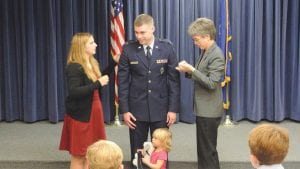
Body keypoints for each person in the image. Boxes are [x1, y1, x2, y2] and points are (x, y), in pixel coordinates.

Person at [118, 13, 180, 164]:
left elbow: (173, 81)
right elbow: (123, 82)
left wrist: (172, 109)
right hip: (136, 110)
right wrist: (125, 110)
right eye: (136, 32)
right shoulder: (128, 49)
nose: (139, 36)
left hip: (161, 108)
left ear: (153, 29)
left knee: (160, 150)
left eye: (143, 32)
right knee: (137, 151)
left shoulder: (167, 48)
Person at [59, 32, 118, 169]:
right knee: (79, 155)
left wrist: (113, 63)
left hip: (94, 111)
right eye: (91, 43)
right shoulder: (74, 67)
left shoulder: (91, 62)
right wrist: (98, 83)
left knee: (90, 154)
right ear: (81, 47)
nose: (95, 45)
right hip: (82, 115)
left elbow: (96, 79)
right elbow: (74, 92)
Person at [176, 18, 225, 169]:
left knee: (207, 151)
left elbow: (211, 83)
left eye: (196, 40)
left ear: (207, 36)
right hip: (204, 109)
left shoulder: (216, 54)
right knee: (204, 151)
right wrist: (188, 72)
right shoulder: (206, 51)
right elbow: (202, 76)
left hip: (209, 111)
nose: (195, 43)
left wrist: (192, 70)